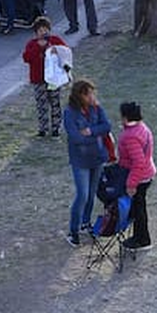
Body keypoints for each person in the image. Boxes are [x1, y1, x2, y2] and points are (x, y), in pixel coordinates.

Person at [63, 79, 112, 246]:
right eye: (90, 93)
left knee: (91, 194)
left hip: (97, 158)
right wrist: (95, 135)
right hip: (81, 160)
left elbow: (107, 126)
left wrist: (90, 131)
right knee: (82, 194)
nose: (93, 96)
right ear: (81, 95)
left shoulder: (96, 108)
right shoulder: (70, 113)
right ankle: (73, 230)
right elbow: (75, 137)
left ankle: (86, 222)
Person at [117, 101, 156, 251]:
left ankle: (142, 240)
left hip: (139, 177)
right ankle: (140, 237)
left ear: (126, 117)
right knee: (139, 208)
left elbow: (138, 162)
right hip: (146, 173)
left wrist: (131, 184)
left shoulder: (130, 136)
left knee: (138, 209)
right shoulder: (142, 128)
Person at [22, 18, 69, 138]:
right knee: (41, 105)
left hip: (53, 79)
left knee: (55, 103)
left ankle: (56, 129)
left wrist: (55, 49)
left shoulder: (55, 41)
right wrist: (39, 47)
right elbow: (26, 58)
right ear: (36, 32)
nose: (43, 32)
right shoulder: (31, 44)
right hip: (38, 80)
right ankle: (42, 128)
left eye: (45, 29)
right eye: (40, 30)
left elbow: (66, 53)